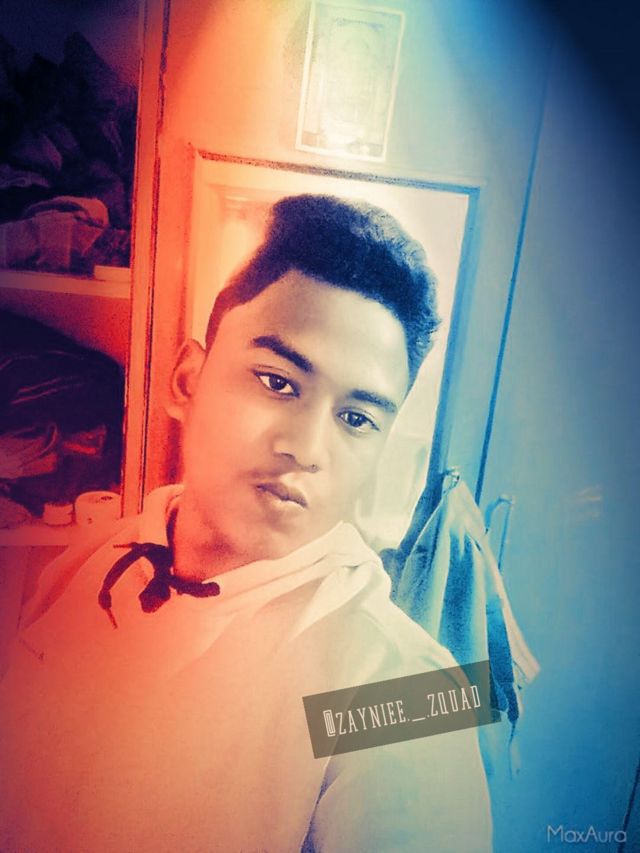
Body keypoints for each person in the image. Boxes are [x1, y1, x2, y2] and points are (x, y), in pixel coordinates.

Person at [0, 194, 492, 852]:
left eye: (356, 418)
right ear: (186, 380)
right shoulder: (82, 566)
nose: (306, 448)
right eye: (277, 381)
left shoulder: (401, 690)